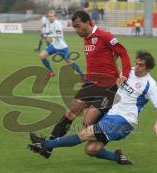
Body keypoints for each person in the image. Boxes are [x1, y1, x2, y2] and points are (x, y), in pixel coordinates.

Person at [29, 50, 157, 165]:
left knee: (83, 134)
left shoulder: (150, 85)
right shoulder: (129, 71)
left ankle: (45, 145)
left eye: (141, 65)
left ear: (148, 68)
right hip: (110, 115)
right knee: (91, 149)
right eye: (136, 63)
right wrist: (114, 59)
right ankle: (118, 157)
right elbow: (117, 74)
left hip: (124, 121)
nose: (136, 67)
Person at [29, 10, 131, 158]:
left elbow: (123, 53)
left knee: (87, 122)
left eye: (78, 26)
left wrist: (125, 75)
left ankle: (101, 143)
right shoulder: (87, 36)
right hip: (90, 83)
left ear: (87, 22)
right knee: (71, 111)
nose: (76, 31)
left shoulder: (105, 36)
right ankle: (48, 147)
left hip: (107, 87)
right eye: (74, 27)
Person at [39, 10, 84, 80]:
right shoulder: (50, 23)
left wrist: (48, 36)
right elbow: (48, 32)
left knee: (70, 62)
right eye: (49, 16)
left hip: (62, 47)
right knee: (42, 56)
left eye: (52, 16)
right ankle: (51, 72)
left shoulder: (57, 24)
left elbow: (58, 35)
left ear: (55, 17)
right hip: (54, 46)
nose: (50, 18)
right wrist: (44, 33)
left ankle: (83, 76)